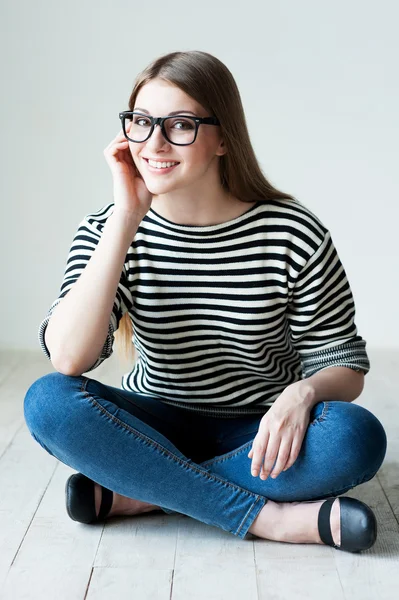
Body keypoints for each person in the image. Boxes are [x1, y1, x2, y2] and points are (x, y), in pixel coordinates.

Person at [24, 50, 387, 552]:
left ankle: (145, 489)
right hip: (152, 423)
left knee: (355, 438)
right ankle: (268, 519)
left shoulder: (291, 232)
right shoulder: (107, 230)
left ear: (222, 139)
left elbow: (344, 365)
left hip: (260, 433)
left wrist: (301, 394)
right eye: (141, 123)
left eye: (179, 125)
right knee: (48, 402)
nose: (154, 142)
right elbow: (68, 357)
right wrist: (126, 219)